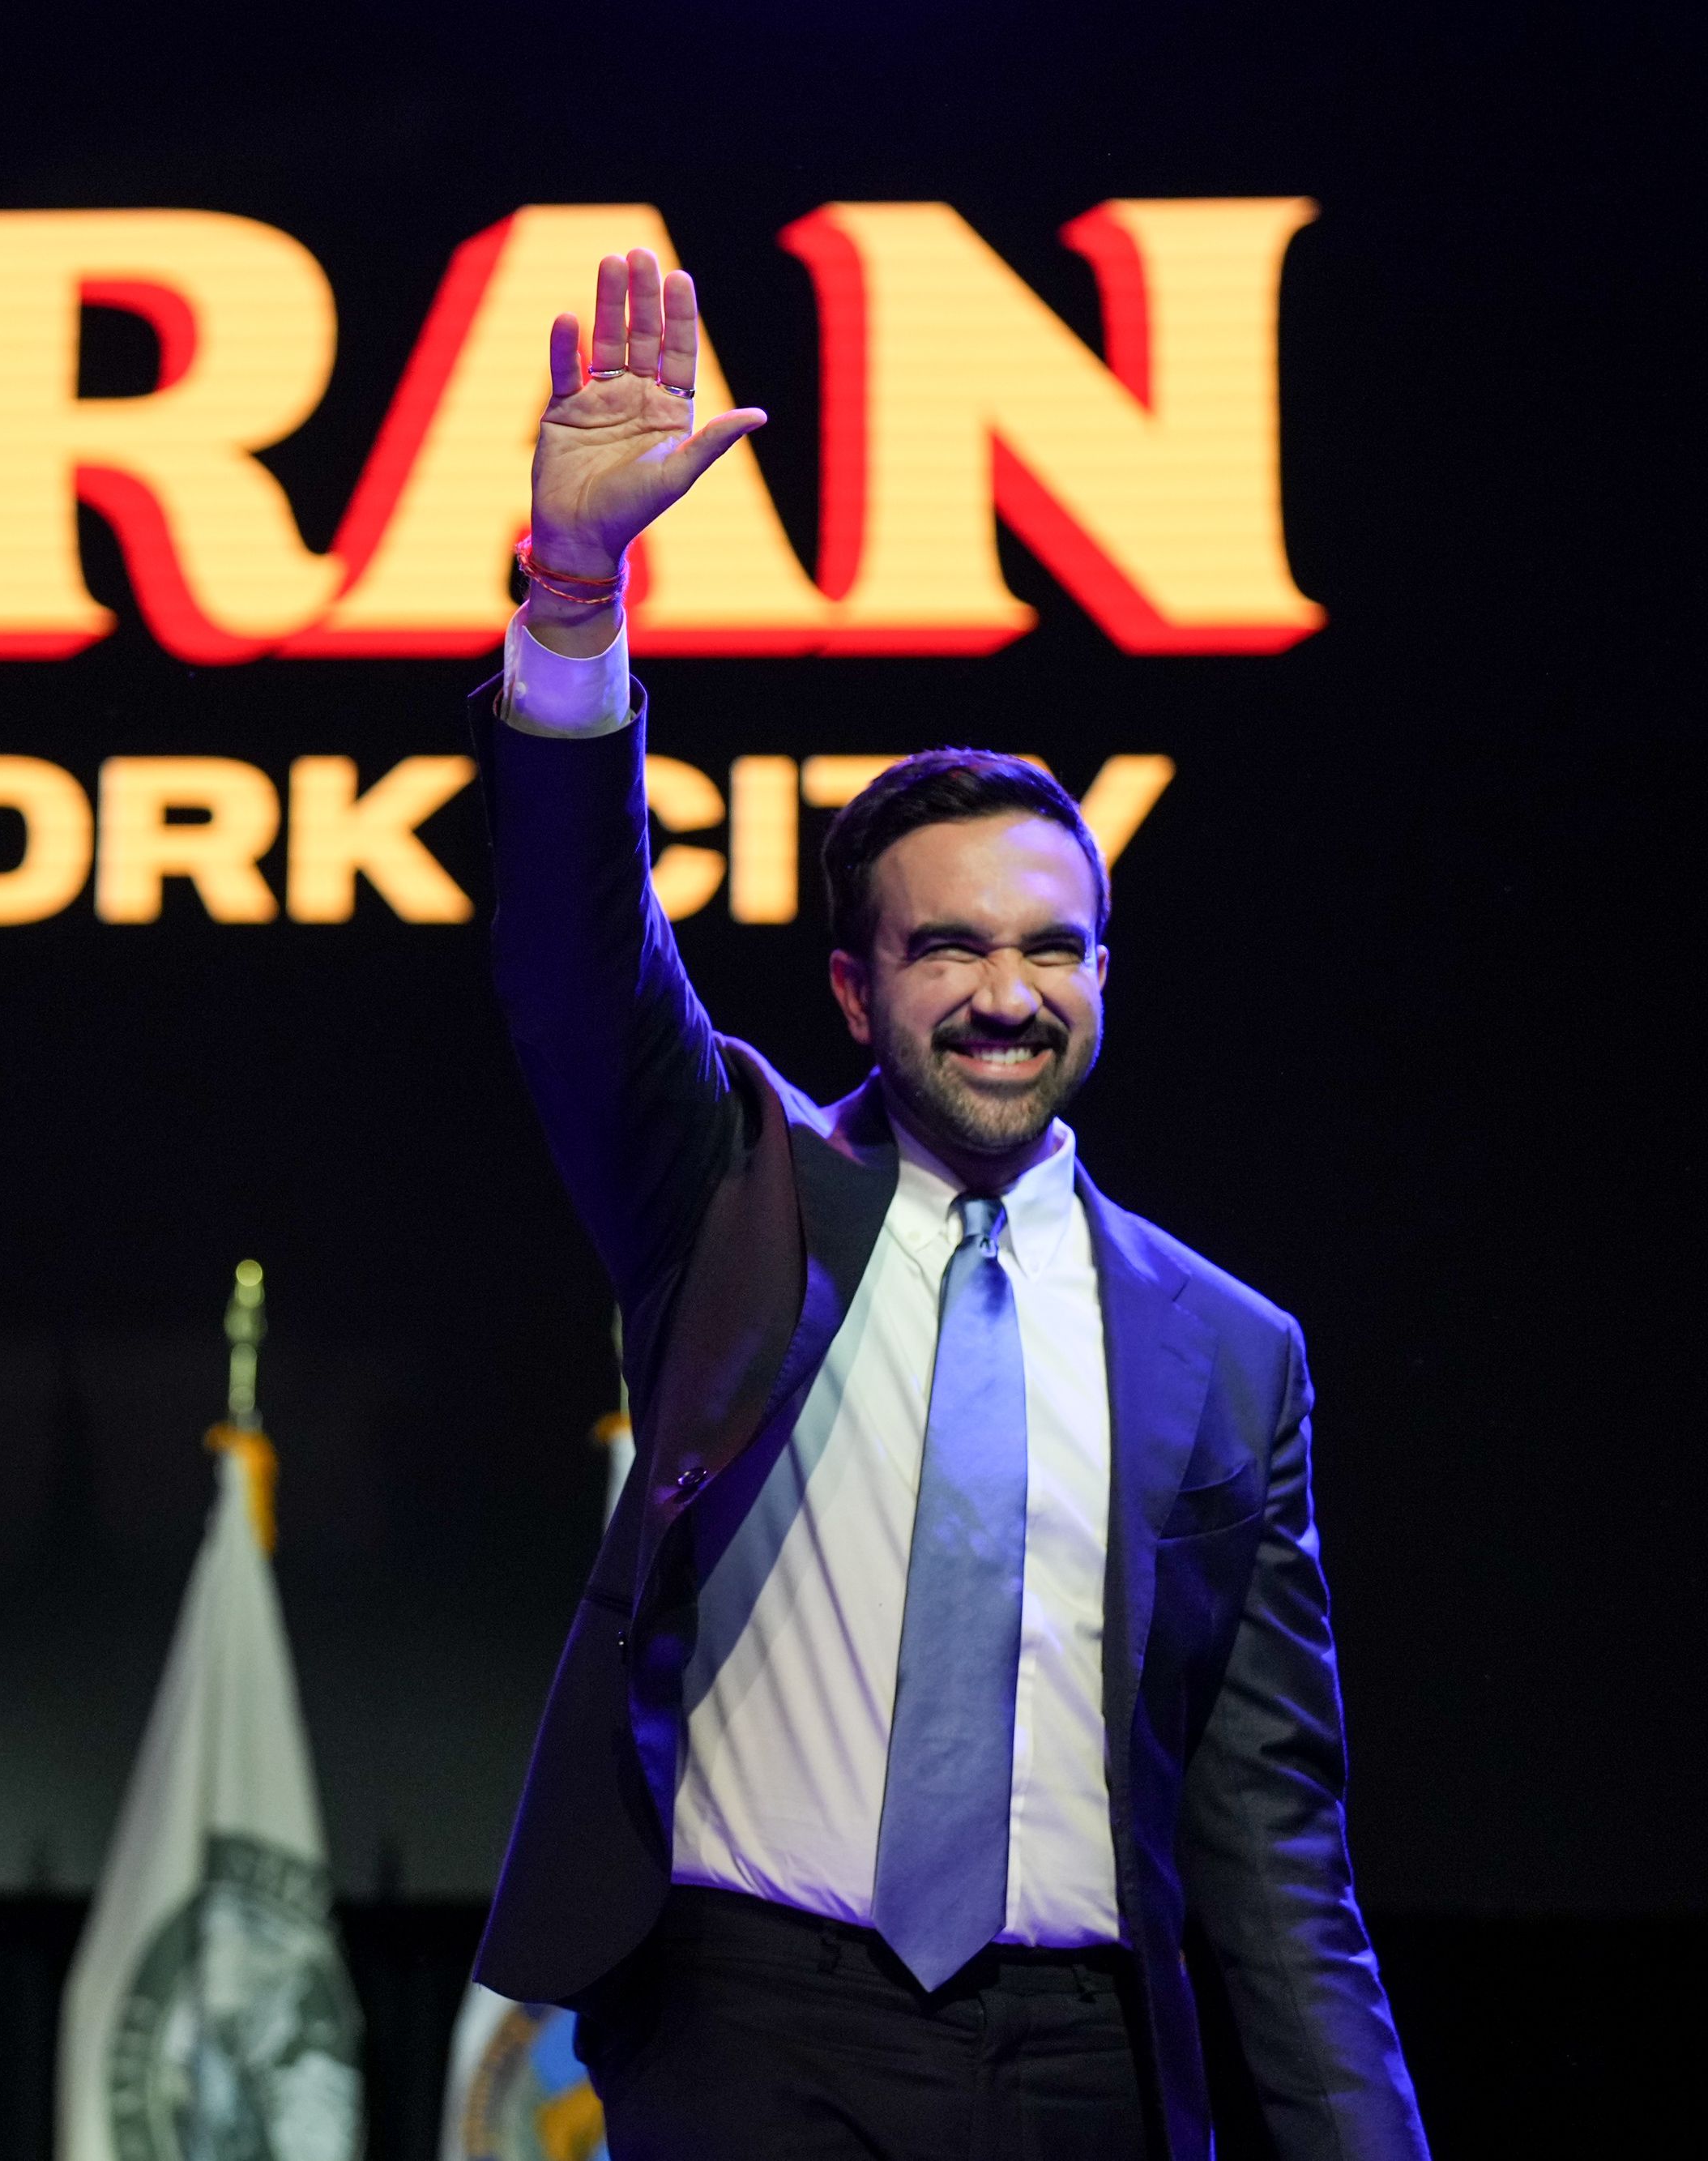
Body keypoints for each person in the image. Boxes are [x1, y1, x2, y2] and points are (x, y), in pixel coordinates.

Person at [467, 250, 1426, 2161]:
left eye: (1052, 946)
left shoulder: (1226, 1354)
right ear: (853, 987)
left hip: (1080, 2065)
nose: (1007, 991)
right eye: (949, 948)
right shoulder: (731, 1191)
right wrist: (573, 600)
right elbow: (576, 958)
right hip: (755, 2032)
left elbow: (1268, 1842)